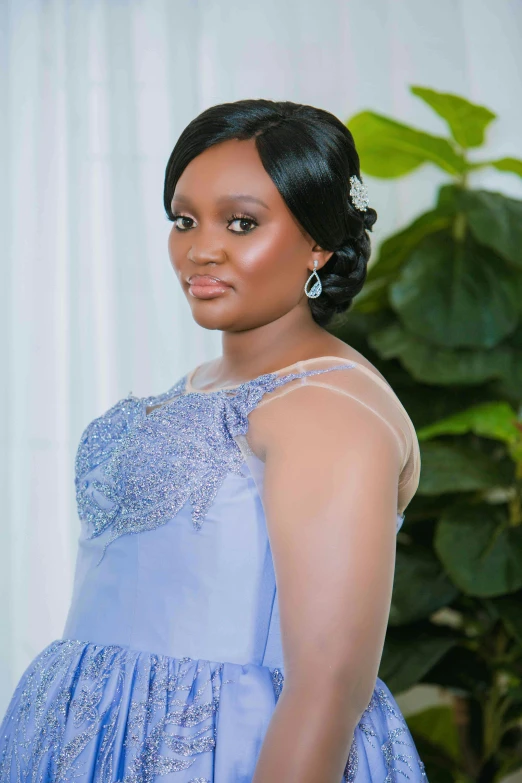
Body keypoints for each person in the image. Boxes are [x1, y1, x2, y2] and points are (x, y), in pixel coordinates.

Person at [0, 99, 427, 782]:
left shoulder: (327, 407)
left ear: (319, 241)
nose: (201, 248)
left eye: (242, 222)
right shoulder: (206, 381)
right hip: (89, 743)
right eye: (183, 219)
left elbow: (329, 684)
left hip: (221, 753)